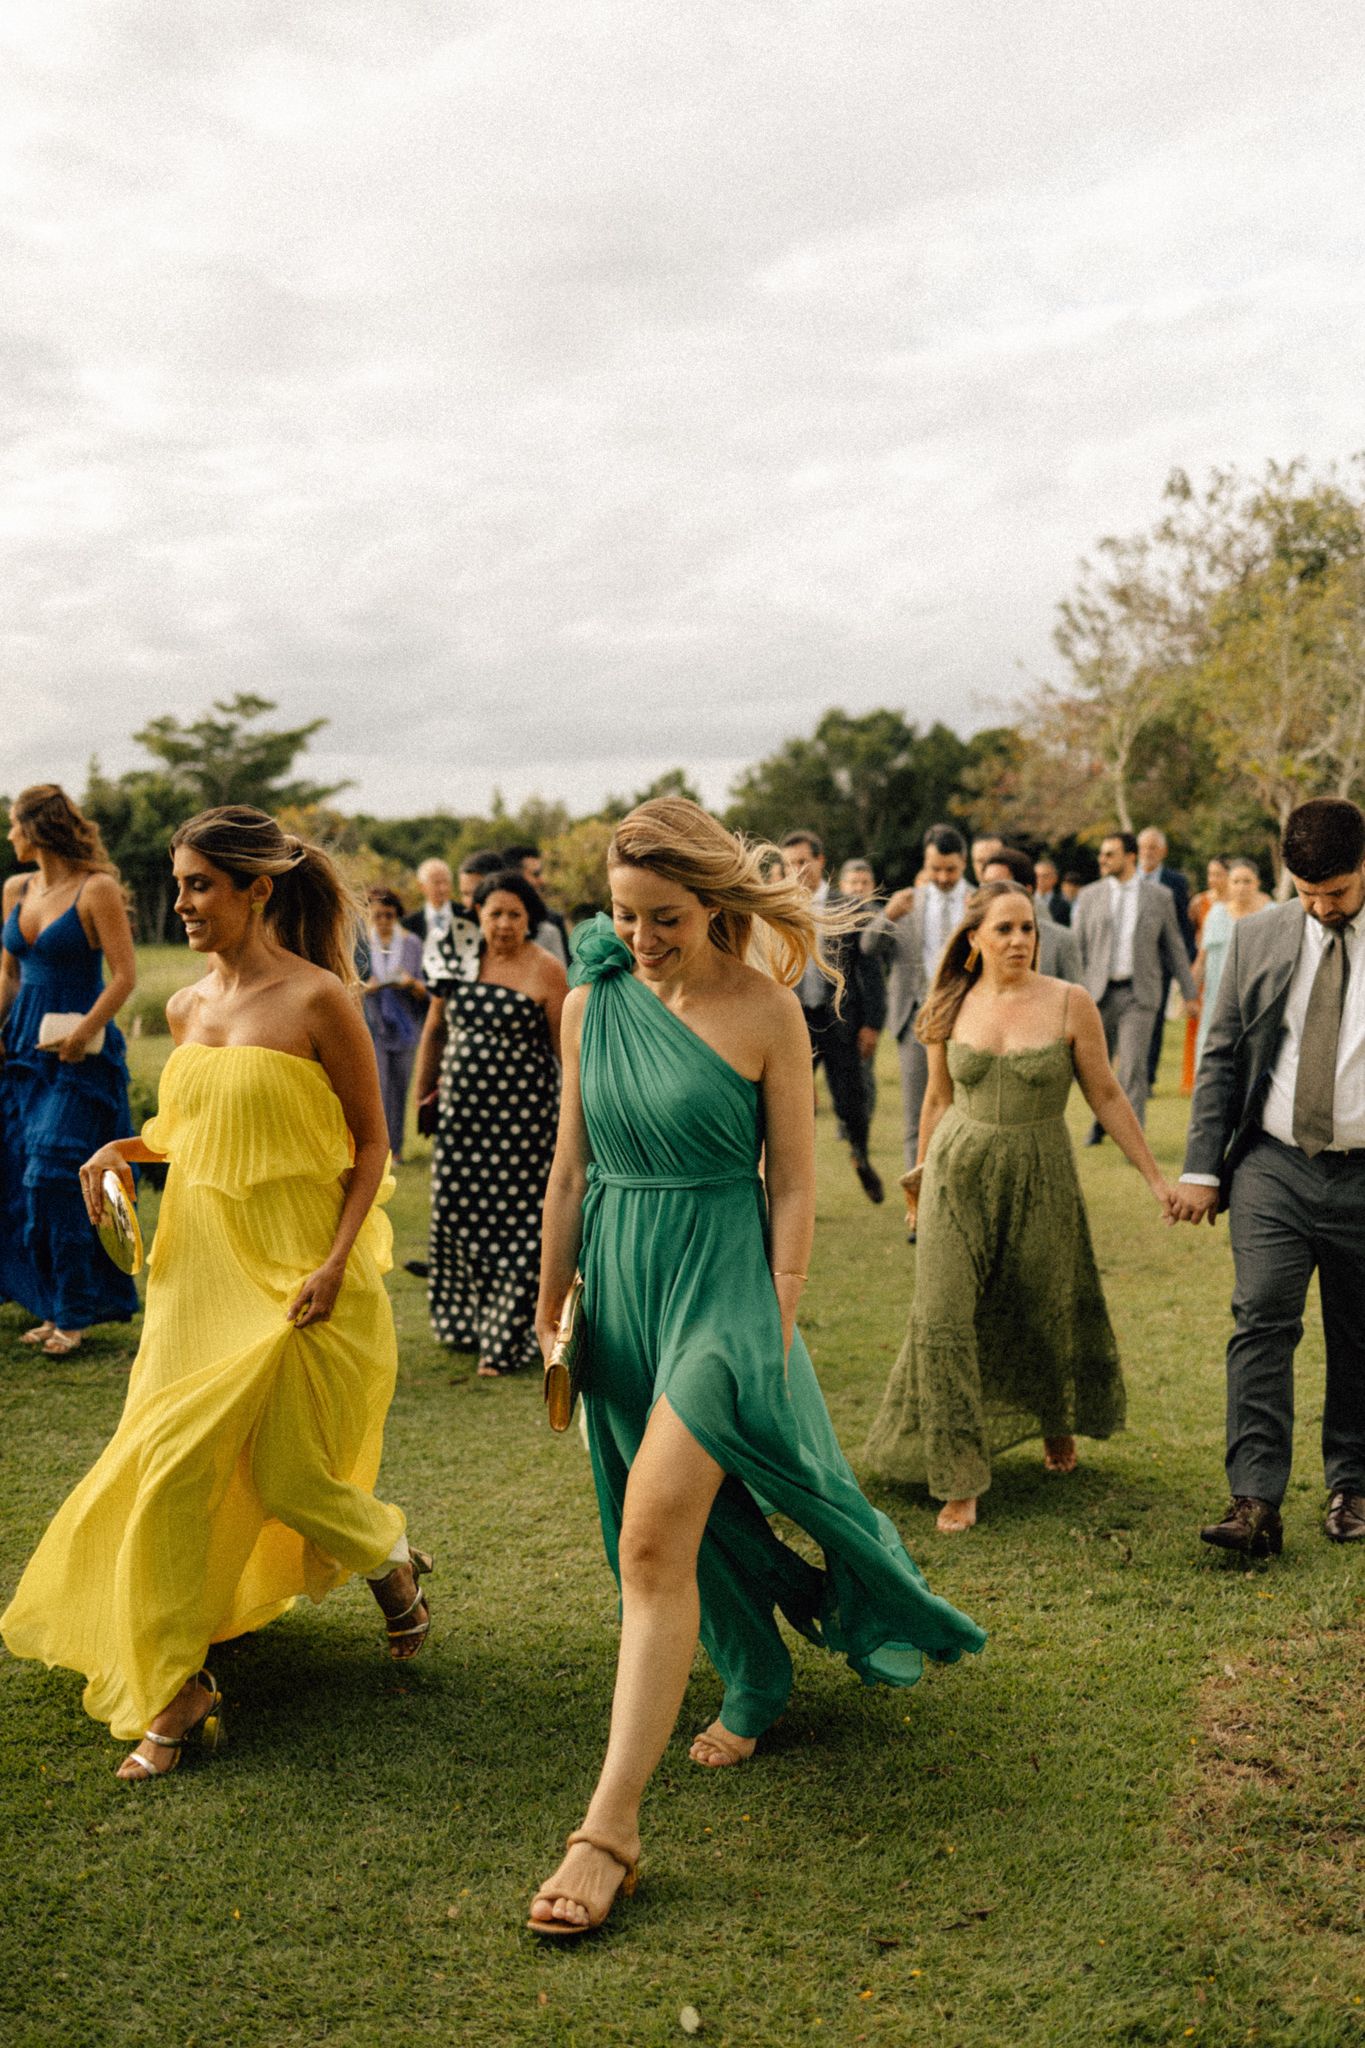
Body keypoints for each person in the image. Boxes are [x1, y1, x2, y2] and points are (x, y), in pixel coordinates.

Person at [526, 799, 984, 1938]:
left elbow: (791, 1176)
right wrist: (549, 1312)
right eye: (623, 914)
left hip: (725, 1293)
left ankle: (608, 1831)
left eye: (664, 916)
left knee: (649, 1536)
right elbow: (571, 1171)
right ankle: (757, 1675)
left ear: (715, 902)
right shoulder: (591, 1004)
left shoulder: (770, 1009)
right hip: (620, 1295)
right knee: (688, 1527)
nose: (640, 936)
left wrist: (779, 1305)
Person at [1, 805, 431, 1779]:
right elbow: (187, 1133)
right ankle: (178, 1686)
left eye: (200, 883)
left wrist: (332, 1262)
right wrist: (121, 1146)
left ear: (256, 888)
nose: (182, 901)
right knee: (163, 1473)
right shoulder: (187, 1008)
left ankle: (389, 1559)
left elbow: (371, 1146)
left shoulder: (321, 999)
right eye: (178, 883)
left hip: (294, 1280)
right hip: (194, 1279)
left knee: (287, 1475)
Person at [863, 882, 1175, 1533]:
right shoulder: (948, 1001)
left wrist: (1152, 1178)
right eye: (1003, 929)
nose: (1018, 940)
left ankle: (1053, 1420)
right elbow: (936, 1102)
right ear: (972, 938)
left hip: (1040, 1172)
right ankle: (958, 1478)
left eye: (1026, 928)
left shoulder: (1069, 1002)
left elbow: (1107, 1095)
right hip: (956, 1173)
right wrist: (918, 1181)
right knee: (943, 1315)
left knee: (1043, 1301)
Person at [1174, 798, 1365, 1557]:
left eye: (1338, 893)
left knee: (1357, 1333)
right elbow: (1220, 1054)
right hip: (1272, 1163)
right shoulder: (1257, 936)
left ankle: (1351, 1484)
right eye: (1306, 892)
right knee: (1260, 1317)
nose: (1320, 908)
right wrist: (1199, 1168)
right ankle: (1253, 1499)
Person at [0, 784, 140, 1355]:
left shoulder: (96, 888)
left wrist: (85, 1031)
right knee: (19, 1179)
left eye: (13, 824)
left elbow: (126, 975)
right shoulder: (16, 887)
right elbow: (9, 974)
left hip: (77, 1052)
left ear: (36, 828)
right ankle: (51, 1303)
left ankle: (77, 1312)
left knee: (55, 1173)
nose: (9, 835)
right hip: (19, 1051)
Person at [415, 868, 566, 1376]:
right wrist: (421, 1093)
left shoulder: (546, 970)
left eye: (514, 914)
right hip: (461, 1120)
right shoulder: (457, 956)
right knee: (457, 1215)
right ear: (476, 914)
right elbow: (434, 1029)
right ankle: (464, 1324)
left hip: (523, 1125)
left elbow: (565, 1050)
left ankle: (505, 1340)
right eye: (494, 912)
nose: (503, 924)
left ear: (530, 919)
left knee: (519, 1227)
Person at [781, 830, 884, 1204]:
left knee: (851, 1101)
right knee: (789, 1108)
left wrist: (872, 1023)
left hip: (840, 1018)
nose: (796, 870)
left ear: (820, 861)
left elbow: (869, 970)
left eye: (802, 861)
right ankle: (792, 1185)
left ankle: (861, 1156)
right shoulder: (779, 906)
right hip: (794, 1023)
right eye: (789, 863)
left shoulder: (848, 905)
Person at [1073, 830, 1196, 1141]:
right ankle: (1100, 1122)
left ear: (1130, 857)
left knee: (1132, 1068)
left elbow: (1174, 947)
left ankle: (1132, 1135)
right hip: (1097, 994)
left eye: (1109, 854)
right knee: (1097, 1068)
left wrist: (1190, 992)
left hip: (1139, 994)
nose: (1102, 859)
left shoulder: (1159, 897)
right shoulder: (1089, 896)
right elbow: (1078, 950)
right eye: (1102, 854)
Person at [860, 824, 969, 1173]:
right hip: (914, 1019)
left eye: (950, 869)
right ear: (926, 862)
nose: (942, 876)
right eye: (935, 868)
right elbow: (867, 947)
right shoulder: (908, 902)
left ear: (963, 863)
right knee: (915, 1116)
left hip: (968, 1019)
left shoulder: (979, 902)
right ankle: (917, 1205)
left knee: (966, 1114)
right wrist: (888, 915)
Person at [361, 887, 427, 1161]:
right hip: (373, 1025)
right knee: (379, 1089)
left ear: (397, 915)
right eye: (377, 915)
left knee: (400, 1087)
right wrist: (366, 986)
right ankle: (378, 1150)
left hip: (406, 1024)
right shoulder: (361, 944)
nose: (383, 921)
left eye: (389, 915)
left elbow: (428, 989)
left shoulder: (412, 944)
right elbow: (346, 983)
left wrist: (411, 983)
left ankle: (396, 1149)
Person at [1192, 859, 1267, 1071]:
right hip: (1217, 997)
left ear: (1257, 883)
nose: (1242, 887)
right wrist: (1190, 994)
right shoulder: (1215, 914)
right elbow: (1202, 959)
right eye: (1236, 881)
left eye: (1247, 881)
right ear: (1229, 884)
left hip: (1257, 998)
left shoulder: (1271, 913)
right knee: (1212, 1056)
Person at [1137, 827, 1196, 1091]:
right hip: (1129, 962)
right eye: (1143, 847)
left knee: (1155, 1021)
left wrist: (1185, 963)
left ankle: (1147, 1077)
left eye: (1153, 848)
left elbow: (1183, 926)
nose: (1147, 853)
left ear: (1163, 852)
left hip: (1160, 964)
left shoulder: (1175, 883)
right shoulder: (1126, 880)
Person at [981, 849, 1082, 982]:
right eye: (985, 885)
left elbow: (1076, 998)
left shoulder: (1061, 942)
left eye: (999, 886)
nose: (989, 893)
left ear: (1027, 890)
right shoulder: (975, 938)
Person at [1181, 857, 1231, 1093]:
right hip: (1208, 968)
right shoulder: (1200, 903)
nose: (1213, 879)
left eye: (1218, 873)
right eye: (1210, 874)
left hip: (1227, 971)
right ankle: (1196, 1080)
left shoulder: (1239, 905)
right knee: (1200, 1027)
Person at [501, 840, 571, 966]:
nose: (542, 880)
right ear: (515, 877)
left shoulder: (552, 921)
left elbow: (566, 976)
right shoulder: (489, 925)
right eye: (536, 874)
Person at [402, 858, 458, 943]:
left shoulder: (466, 915)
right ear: (422, 887)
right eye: (437, 883)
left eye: (446, 882)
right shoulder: (409, 924)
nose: (443, 888)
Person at [1035, 855, 1069, 927]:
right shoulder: (1026, 900)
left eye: (1045, 876)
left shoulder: (1063, 904)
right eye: (1037, 876)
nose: (1040, 880)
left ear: (1055, 878)